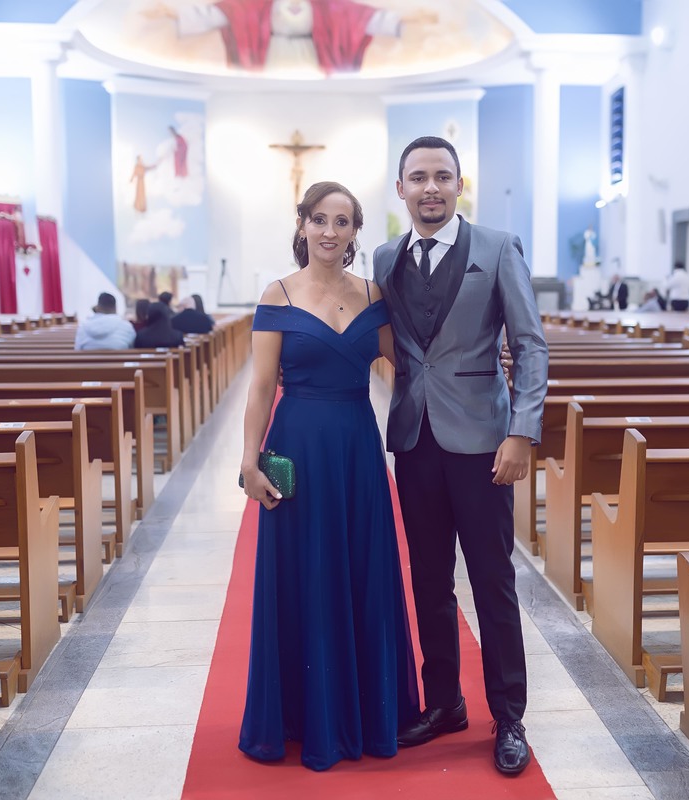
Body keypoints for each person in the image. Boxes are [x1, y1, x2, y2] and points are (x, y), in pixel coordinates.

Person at [373, 136, 548, 776]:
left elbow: (530, 346)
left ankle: (509, 715)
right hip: (415, 441)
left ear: (458, 184)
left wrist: (521, 431)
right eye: (418, 177)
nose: (431, 188)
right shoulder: (386, 257)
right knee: (428, 581)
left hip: (483, 446)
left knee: (492, 580)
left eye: (442, 176)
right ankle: (445, 701)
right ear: (401, 189)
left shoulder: (499, 248)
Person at [239, 181, 419, 770]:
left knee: (361, 567)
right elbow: (261, 387)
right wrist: (249, 461)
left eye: (342, 222)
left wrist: (485, 361)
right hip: (297, 447)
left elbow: (408, 363)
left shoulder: (372, 294)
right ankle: (303, 714)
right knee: (304, 571)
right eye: (319, 219)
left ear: (354, 233)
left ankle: (363, 710)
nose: (329, 231)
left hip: (356, 450)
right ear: (303, 225)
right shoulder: (278, 294)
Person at [146, 0, 435, 76]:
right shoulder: (256, 4)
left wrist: (404, 21)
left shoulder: (327, 6)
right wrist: (175, 15)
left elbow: (358, 17)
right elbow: (223, 13)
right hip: (275, 53)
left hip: (311, 56)